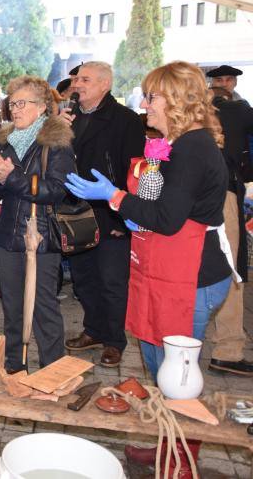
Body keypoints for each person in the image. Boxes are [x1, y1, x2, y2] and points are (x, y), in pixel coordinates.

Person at [65, 61, 235, 477]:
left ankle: (183, 457)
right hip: (164, 267)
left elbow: (168, 219)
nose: (144, 104)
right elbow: (158, 205)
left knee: (178, 376)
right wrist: (130, 208)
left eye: (152, 96)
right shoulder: (171, 143)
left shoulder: (193, 148)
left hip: (191, 277)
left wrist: (115, 197)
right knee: (159, 367)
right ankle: (167, 438)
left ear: (176, 101)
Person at [0, 75, 75, 372]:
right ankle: (15, 366)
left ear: (42, 106)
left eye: (22, 103)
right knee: (12, 306)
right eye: (11, 104)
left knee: (43, 307)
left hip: (41, 236)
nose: (15, 110)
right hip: (8, 235)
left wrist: (11, 177)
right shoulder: (7, 142)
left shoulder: (56, 143)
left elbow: (57, 190)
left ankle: (52, 371)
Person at [63, 61, 145, 368]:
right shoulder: (69, 117)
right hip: (75, 211)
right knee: (83, 278)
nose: (77, 84)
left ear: (104, 84)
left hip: (111, 212)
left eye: (85, 80)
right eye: (76, 80)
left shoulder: (125, 119)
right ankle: (93, 330)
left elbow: (134, 172)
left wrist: (124, 216)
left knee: (112, 281)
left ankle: (113, 340)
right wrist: (58, 128)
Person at [205, 87, 253, 376]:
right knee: (231, 271)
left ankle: (179, 347)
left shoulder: (178, 113)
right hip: (222, 197)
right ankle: (228, 350)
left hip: (191, 198)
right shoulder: (236, 110)